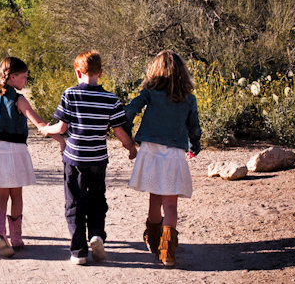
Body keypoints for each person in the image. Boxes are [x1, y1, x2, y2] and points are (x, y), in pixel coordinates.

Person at [39, 51, 137, 265]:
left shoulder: (70, 94)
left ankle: (79, 252)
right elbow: (119, 130)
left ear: (77, 71)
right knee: (97, 200)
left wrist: (46, 130)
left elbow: (62, 127)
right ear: (100, 73)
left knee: (74, 203)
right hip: (98, 159)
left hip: (74, 159)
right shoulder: (110, 99)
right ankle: (96, 235)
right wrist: (131, 147)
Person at [0, 57, 66, 258]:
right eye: (24, 77)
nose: (26, 81)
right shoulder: (19, 99)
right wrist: (61, 140)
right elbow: (40, 125)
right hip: (16, 152)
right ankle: (16, 238)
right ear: (13, 77)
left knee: (0, 195)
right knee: (16, 195)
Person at [124, 50, 201, 267]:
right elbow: (194, 127)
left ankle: (154, 239)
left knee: (154, 198)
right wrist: (195, 145)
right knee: (170, 204)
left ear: (155, 71)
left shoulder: (149, 93)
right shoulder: (188, 98)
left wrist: (127, 135)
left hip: (150, 150)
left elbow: (129, 111)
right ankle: (168, 252)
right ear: (182, 74)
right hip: (174, 153)